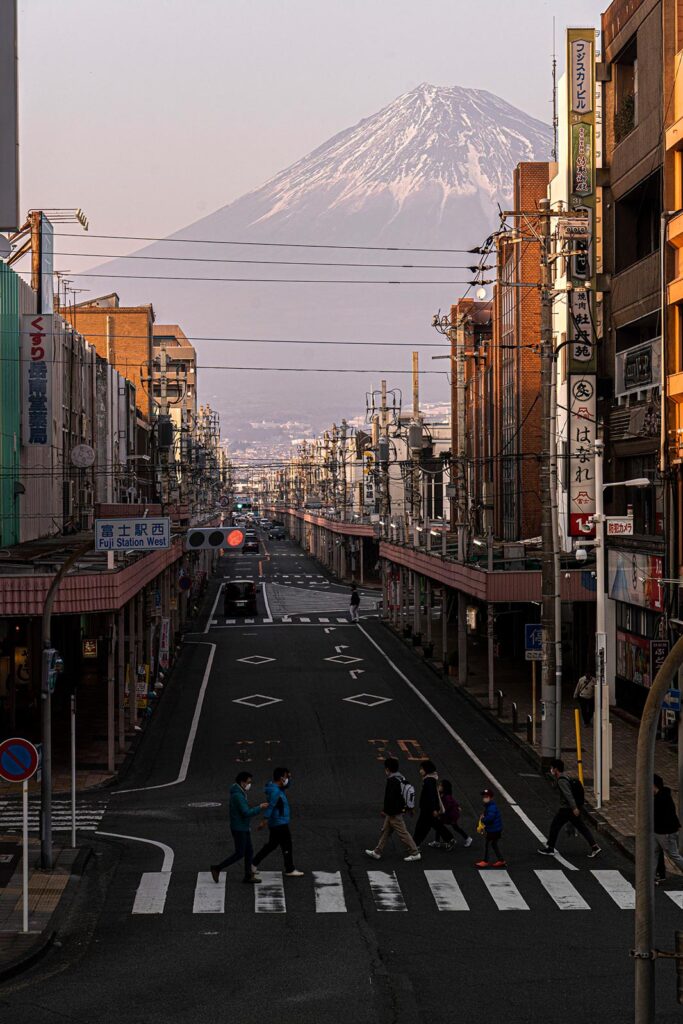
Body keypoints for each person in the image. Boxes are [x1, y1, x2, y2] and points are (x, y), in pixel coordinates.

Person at [210, 771, 268, 884]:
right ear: (242, 782)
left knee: (249, 851)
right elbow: (246, 812)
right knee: (240, 853)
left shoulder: (239, 792)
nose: (250, 784)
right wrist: (260, 807)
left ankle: (248, 875)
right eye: (248, 782)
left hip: (243, 827)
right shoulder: (238, 795)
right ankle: (217, 868)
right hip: (239, 828)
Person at [538, 758, 601, 858]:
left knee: (555, 826)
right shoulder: (564, 777)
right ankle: (595, 847)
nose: (551, 769)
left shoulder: (561, 781)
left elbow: (568, 795)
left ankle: (550, 848)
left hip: (566, 809)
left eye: (552, 768)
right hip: (570, 809)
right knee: (581, 827)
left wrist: (574, 808)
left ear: (556, 769)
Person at [365, 756, 421, 862]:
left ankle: (415, 853)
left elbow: (389, 798)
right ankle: (377, 852)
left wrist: (385, 811)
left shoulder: (392, 781)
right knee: (386, 831)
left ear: (387, 769)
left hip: (394, 812)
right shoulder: (401, 777)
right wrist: (410, 807)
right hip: (397, 810)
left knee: (403, 833)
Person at [252, 767, 304, 877]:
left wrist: (289, 777)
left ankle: (253, 864)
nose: (287, 778)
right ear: (281, 778)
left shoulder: (274, 786)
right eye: (286, 776)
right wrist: (264, 821)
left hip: (276, 821)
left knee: (272, 845)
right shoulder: (276, 791)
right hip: (279, 822)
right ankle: (289, 869)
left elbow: (287, 785)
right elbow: (271, 806)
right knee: (287, 845)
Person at [413, 760, 451, 849]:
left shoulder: (429, 781)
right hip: (429, 808)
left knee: (422, 826)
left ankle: (415, 844)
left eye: (422, 769)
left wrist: (434, 809)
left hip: (428, 808)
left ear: (426, 770)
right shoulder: (430, 779)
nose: (420, 771)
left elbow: (432, 796)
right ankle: (450, 839)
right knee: (433, 824)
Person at [653, 774, 683, 884]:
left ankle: (653, 876)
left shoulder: (662, 799)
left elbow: (665, 817)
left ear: (654, 786)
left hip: (665, 832)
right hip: (658, 831)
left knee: (673, 854)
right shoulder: (661, 796)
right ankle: (652, 876)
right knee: (653, 852)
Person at [435, 779, 472, 848]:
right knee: (440, 826)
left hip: (451, 815)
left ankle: (468, 838)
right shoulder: (442, 794)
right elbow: (453, 801)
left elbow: (446, 807)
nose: (438, 786)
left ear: (444, 788)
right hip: (447, 815)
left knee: (454, 827)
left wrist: (438, 813)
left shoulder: (447, 797)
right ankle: (437, 841)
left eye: (440, 785)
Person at [475, 788, 506, 868]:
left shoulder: (491, 807)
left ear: (491, 798)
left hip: (493, 830)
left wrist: (483, 819)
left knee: (488, 844)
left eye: (486, 797)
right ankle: (501, 860)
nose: (484, 798)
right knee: (493, 844)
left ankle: (485, 861)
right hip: (495, 829)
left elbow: (490, 818)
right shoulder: (490, 806)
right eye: (484, 796)